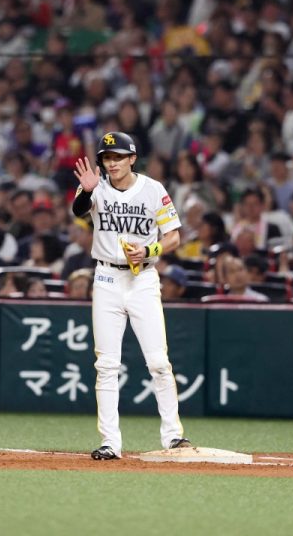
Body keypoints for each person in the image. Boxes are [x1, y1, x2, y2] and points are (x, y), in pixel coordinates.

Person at [73, 131, 192, 461]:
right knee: (106, 365)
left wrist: (150, 250)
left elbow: (174, 237)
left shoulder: (153, 189)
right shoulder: (96, 186)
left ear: (132, 159)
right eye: (106, 158)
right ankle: (110, 442)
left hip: (143, 279)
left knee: (159, 362)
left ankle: (173, 436)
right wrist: (87, 189)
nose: (111, 163)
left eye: (118, 157)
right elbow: (79, 210)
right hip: (106, 277)